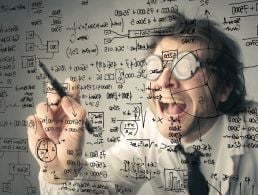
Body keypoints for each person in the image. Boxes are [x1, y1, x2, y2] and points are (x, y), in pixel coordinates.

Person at [27, 12, 258, 195]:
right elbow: (102, 188)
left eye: (186, 66)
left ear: (224, 88)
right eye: (156, 67)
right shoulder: (145, 131)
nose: (164, 81)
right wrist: (62, 171)